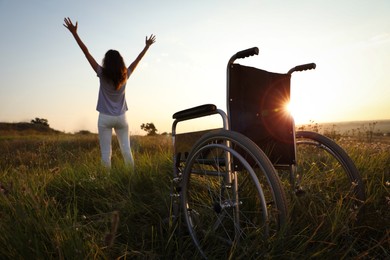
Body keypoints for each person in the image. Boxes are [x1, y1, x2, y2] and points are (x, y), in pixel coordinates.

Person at [63, 17, 156, 169]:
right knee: (126, 151)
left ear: (106, 61)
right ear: (120, 62)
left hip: (105, 117)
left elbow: (86, 52)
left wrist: (74, 33)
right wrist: (147, 46)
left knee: (106, 154)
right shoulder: (125, 74)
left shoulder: (101, 72)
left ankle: (106, 183)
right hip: (121, 118)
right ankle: (132, 179)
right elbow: (137, 59)